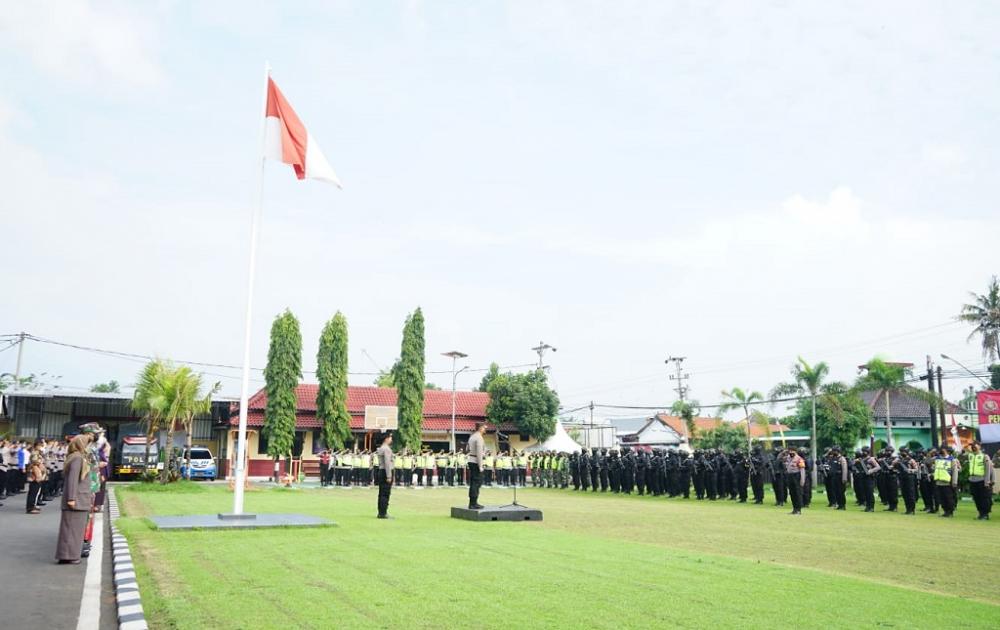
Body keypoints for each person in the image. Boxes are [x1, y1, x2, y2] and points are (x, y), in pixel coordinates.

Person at [56, 435, 95, 564]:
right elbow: (73, 479)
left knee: (71, 529)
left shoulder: (75, 457)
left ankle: (67, 555)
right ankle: (70, 556)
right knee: (73, 530)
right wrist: (71, 498)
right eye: (86, 443)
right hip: (77, 499)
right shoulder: (77, 458)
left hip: (79, 498)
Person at [966, 442, 994, 520]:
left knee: (984, 498)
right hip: (972, 480)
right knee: (976, 498)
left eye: (975, 445)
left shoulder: (984, 456)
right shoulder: (970, 456)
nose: (973, 447)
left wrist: (987, 481)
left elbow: (988, 470)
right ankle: (980, 513)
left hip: (982, 480)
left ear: (980, 446)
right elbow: (965, 450)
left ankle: (985, 514)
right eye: (972, 445)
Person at [932, 446, 960, 517]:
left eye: (943, 449)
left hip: (947, 482)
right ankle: (945, 511)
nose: (941, 450)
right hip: (939, 481)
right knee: (941, 498)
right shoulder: (937, 459)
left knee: (948, 498)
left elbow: (955, 472)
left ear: (947, 451)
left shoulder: (952, 460)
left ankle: (950, 512)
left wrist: (954, 482)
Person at [467, 422, 485, 509]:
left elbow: (467, 449)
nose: (485, 429)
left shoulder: (472, 436)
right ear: (480, 428)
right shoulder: (479, 437)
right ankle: (473, 503)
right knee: (477, 482)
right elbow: (479, 453)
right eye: (484, 427)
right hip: (476, 462)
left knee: (474, 482)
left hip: (471, 460)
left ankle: (472, 502)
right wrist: (480, 465)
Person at [375, 433, 393, 519]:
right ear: (386, 439)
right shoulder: (386, 449)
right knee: (385, 493)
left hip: (381, 471)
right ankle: (383, 512)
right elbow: (387, 463)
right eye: (390, 437)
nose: (391, 439)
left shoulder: (381, 448)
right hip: (385, 472)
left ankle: (381, 512)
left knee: (381, 493)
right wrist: (389, 476)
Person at [783, 448, 806, 515]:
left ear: (795, 451)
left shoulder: (799, 459)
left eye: (792, 451)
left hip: (797, 476)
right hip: (790, 476)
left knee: (797, 493)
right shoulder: (788, 458)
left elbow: (802, 470)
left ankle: (798, 510)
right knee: (792, 493)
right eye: (790, 451)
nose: (791, 452)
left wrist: (802, 480)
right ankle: (794, 509)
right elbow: (780, 459)